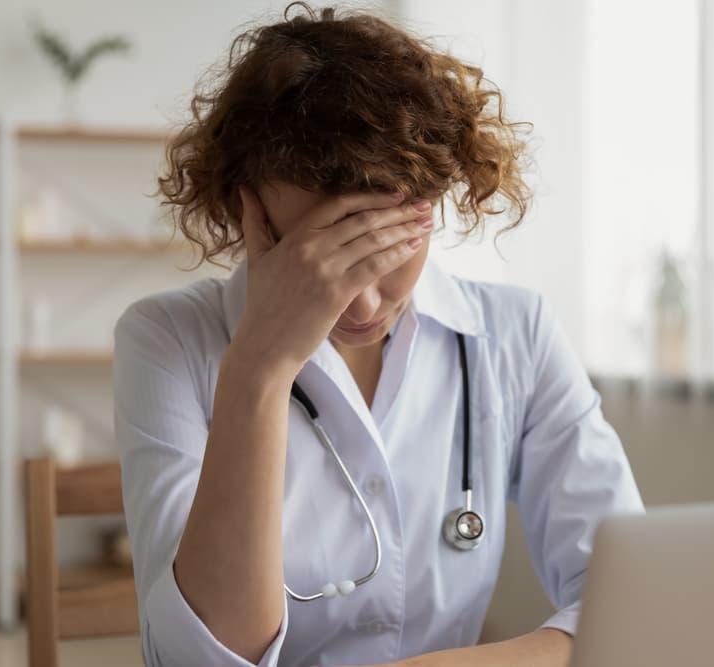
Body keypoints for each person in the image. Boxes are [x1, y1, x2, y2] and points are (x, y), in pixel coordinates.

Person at [112, 3, 644, 666]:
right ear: (250, 211)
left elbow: (630, 604)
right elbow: (200, 659)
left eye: (388, 247)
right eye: (322, 256)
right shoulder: (167, 341)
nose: (362, 300)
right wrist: (260, 367)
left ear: (435, 195)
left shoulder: (517, 336)